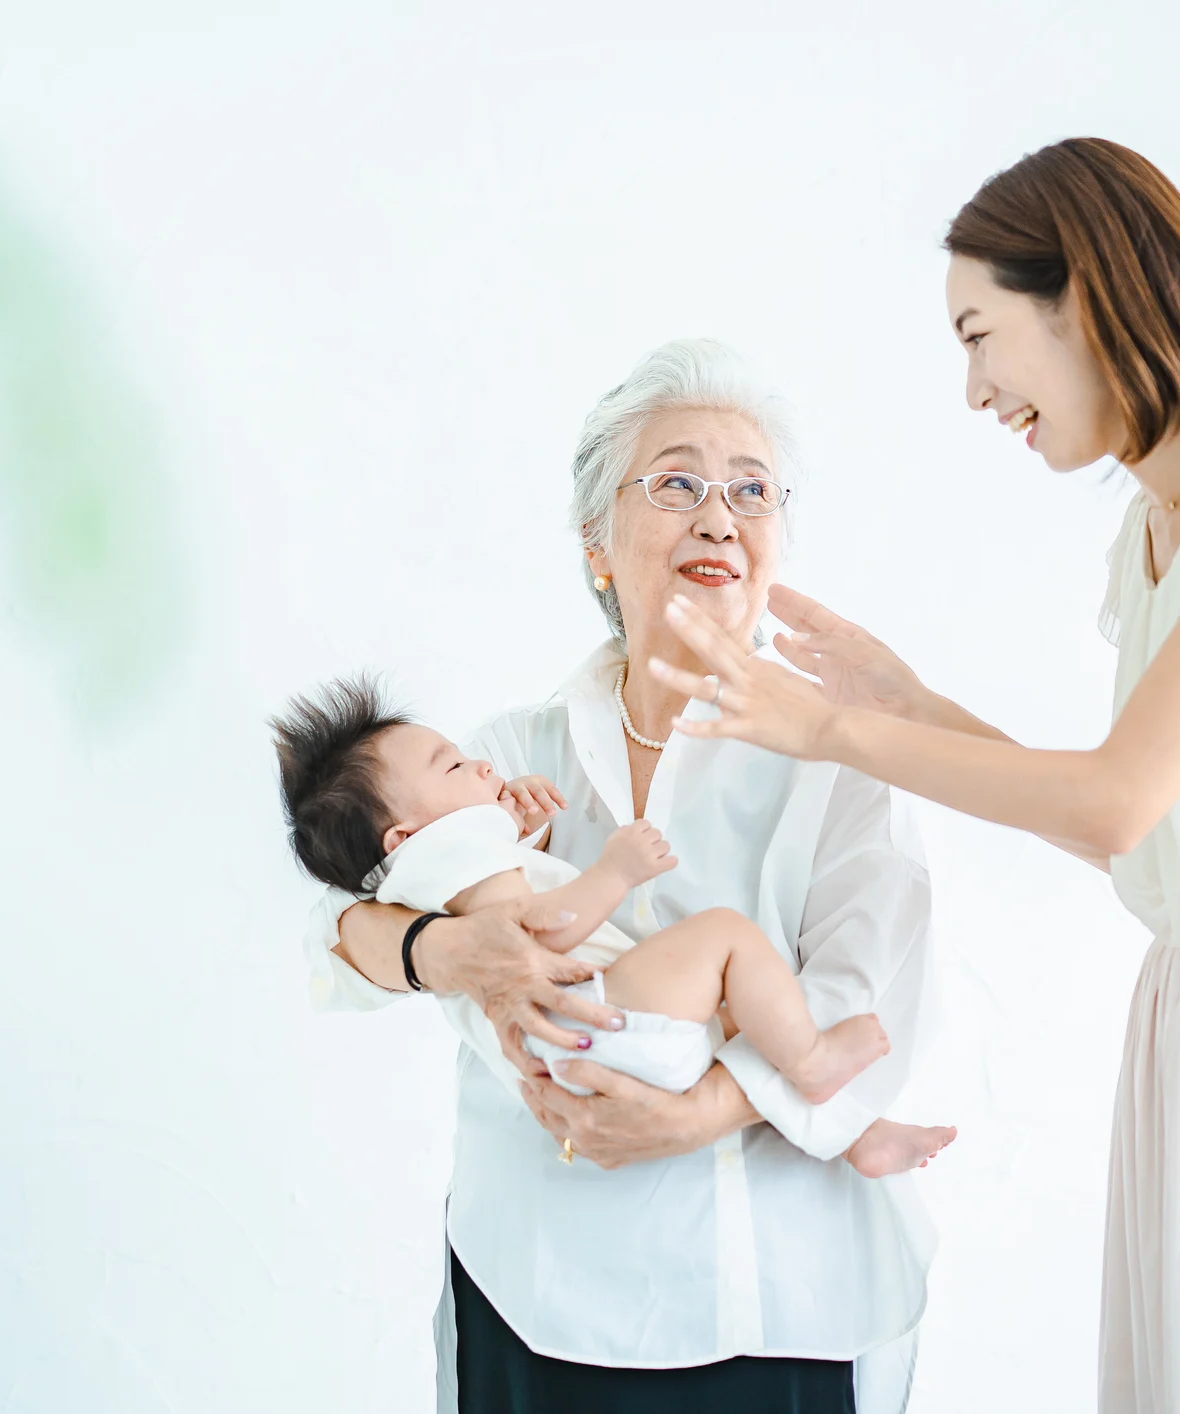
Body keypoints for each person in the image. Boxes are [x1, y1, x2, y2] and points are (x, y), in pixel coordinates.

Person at [652, 139, 1180, 1413]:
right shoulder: (1161, 529)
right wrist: (909, 704)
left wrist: (829, 731)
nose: (979, 388)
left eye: (983, 334)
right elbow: (1141, 833)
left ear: (1087, 298)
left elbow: (1117, 797)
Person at [299, 339, 938, 1411]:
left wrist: (696, 1114)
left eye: (752, 490)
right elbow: (341, 910)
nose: (719, 516)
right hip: (531, 1282)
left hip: (767, 1292)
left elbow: (870, 999)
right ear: (597, 540)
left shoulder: (839, 759)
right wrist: (440, 948)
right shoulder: (507, 752)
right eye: (677, 481)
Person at [272, 677, 955, 1177]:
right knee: (726, 939)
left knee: (731, 1000)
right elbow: (538, 927)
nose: (483, 766)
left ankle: (852, 1129)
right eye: (455, 765)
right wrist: (613, 871)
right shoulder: (456, 844)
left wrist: (524, 835)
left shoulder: (439, 856)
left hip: (595, 1047)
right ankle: (810, 1065)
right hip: (596, 1023)